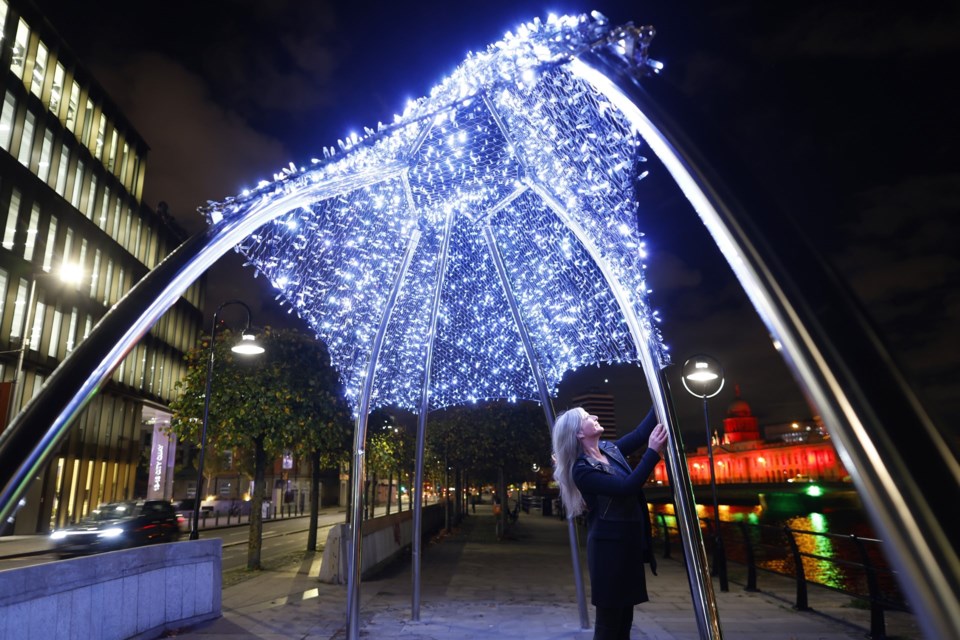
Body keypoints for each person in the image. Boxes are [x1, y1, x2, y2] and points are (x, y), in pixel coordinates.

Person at [552, 407, 668, 640]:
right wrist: (653, 452)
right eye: (587, 417)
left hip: (627, 547)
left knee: (625, 621)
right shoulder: (582, 470)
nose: (594, 417)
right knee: (608, 626)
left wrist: (659, 398)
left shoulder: (609, 449)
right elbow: (626, 489)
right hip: (608, 553)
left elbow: (639, 434)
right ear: (578, 434)